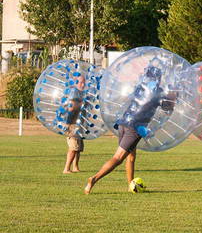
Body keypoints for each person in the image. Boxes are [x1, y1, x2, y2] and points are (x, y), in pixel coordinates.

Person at [85, 64, 176, 194]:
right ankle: (94, 179)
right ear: (158, 78)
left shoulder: (140, 88)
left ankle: (130, 184)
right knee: (118, 158)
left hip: (123, 123)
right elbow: (167, 108)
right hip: (134, 127)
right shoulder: (158, 92)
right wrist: (173, 98)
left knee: (131, 156)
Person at [63, 75, 85, 174]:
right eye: (81, 82)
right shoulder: (74, 92)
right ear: (76, 83)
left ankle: (75, 167)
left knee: (78, 148)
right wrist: (81, 105)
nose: (83, 84)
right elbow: (71, 107)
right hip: (72, 124)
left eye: (84, 82)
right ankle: (66, 169)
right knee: (73, 148)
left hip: (78, 124)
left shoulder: (81, 93)